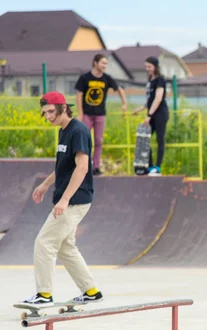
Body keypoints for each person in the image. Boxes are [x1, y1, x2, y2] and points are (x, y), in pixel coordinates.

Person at [19, 92, 104, 306]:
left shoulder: (78, 130)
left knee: (44, 242)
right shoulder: (63, 131)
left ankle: (44, 295)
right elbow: (64, 166)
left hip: (75, 200)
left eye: (50, 111)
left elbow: (82, 167)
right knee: (66, 248)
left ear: (63, 107)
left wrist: (65, 199)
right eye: (44, 113)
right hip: (70, 198)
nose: (47, 116)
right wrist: (46, 184)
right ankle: (91, 291)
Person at [75, 53, 127, 176]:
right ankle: (83, 166)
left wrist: (124, 103)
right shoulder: (85, 78)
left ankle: (96, 166)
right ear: (95, 63)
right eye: (103, 63)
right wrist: (80, 113)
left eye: (106, 63)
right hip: (87, 113)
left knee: (98, 141)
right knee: (85, 140)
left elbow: (119, 89)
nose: (105, 65)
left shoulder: (106, 78)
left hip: (100, 114)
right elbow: (79, 95)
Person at [132, 56, 169, 176]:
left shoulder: (160, 80)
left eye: (150, 66)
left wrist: (149, 115)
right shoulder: (150, 80)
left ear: (155, 66)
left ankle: (157, 167)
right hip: (152, 113)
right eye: (146, 66)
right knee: (144, 138)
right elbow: (150, 99)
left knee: (159, 139)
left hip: (160, 113)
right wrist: (140, 109)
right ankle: (150, 165)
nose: (147, 69)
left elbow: (158, 99)